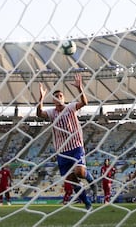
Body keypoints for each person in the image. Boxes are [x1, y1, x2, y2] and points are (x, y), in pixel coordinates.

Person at [37, 74, 93, 210]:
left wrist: (80, 88)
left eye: (61, 96)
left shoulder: (71, 107)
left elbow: (84, 102)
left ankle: (91, 181)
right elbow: (39, 113)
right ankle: (86, 202)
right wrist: (41, 98)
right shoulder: (51, 113)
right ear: (53, 100)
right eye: (56, 97)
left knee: (79, 172)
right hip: (61, 151)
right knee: (71, 180)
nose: (59, 98)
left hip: (75, 146)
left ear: (64, 98)